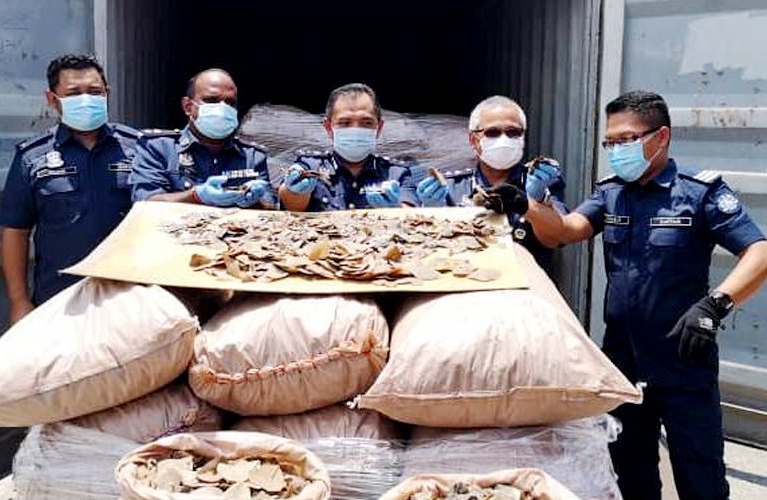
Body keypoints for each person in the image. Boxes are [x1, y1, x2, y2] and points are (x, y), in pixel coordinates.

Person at [512, 90, 767, 499]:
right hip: (624, 365)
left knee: (701, 481)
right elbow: (565, 231)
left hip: (684, 363)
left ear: (660, 137)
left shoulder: (699, 192)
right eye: (610, 142)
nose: (617, 151)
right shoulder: (611, 192)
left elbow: (758, 251)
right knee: (631, 478)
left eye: (626, 140)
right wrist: (527, 204)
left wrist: (715, 305)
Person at [0, 54, 139, 322]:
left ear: (107, 94)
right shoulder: (32, 157)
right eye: (74, 93)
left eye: (94, 92)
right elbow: (15, 231)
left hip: (130, 297)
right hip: (60, 301)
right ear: (53, 100)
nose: (86, 99)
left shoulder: (137, 148)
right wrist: (19, 301)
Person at [414, 95, 566, 274]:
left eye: (513, 132)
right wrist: (432, 210)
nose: (504, 139)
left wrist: (535, 202)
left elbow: (557, 237)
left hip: (528, 284)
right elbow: (429, 249)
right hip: (467, 282)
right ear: (473, 140)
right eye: (492, 133)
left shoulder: (543, 181)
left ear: (522, 137)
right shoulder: (453, 186)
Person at [129, 68, 275, 208]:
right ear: (188, 106)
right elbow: (145, 202)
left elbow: (271, 208)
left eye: (230, 102)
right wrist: (195, 196)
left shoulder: (252, 156)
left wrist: (254, 201)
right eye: (211, 100)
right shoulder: (158, 148)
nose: (222, 108)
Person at [279, 83, 417, 211]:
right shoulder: (310, 165)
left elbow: (411, 214)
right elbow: (290, 205)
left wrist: (395, 209)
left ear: (379, 127)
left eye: (367, 123)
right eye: (345, 123)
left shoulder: (396, 172)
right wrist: (295, 191)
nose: (356, 130)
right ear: (328, 127)